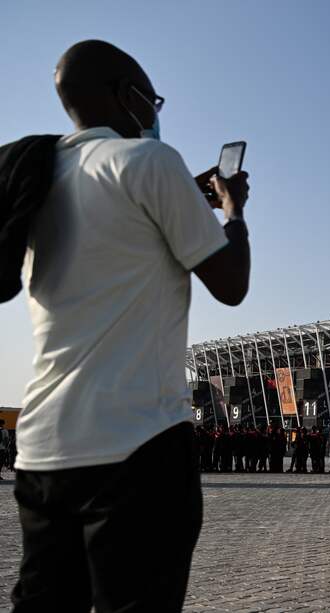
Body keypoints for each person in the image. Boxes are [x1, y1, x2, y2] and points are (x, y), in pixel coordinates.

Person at [7, 40, 251, 612]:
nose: (156, 111)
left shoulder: (35, 178)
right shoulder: (149, 162)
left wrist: (186, 200)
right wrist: (233, 212)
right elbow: (231, 284)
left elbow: (115, 230)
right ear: (127, 95)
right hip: (136, 446)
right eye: (153, 98)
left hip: (42, 450)